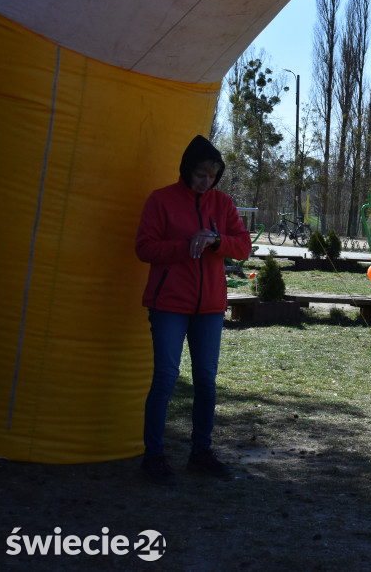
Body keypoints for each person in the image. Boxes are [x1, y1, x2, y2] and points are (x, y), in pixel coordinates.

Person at [135, 135, 252, 485]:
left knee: (206, 380)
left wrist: (216, 241)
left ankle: (201, 452)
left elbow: (243, 246)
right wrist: (187, 247)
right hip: (169, 304)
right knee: (166, 379)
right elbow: (145, 248)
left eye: (212, 175)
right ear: (187, 170)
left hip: (210, 308)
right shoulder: (161, 201)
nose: (207, 182)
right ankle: (153, 456)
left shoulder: (223, 203)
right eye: (201, 174)